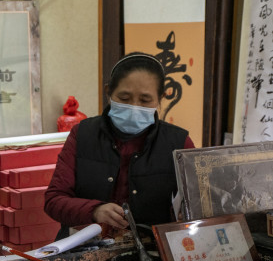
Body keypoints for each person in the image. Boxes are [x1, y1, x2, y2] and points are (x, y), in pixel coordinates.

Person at [44, 52, 195, 239]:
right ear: (108, 92)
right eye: (124, 98)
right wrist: (94, 210)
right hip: (85, 249)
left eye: (145, 100)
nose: (134, 106)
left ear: (160, 98)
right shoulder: (83, 134)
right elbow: (54, 200)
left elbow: (199, 205)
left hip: (153, 253)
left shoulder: (178, 143)